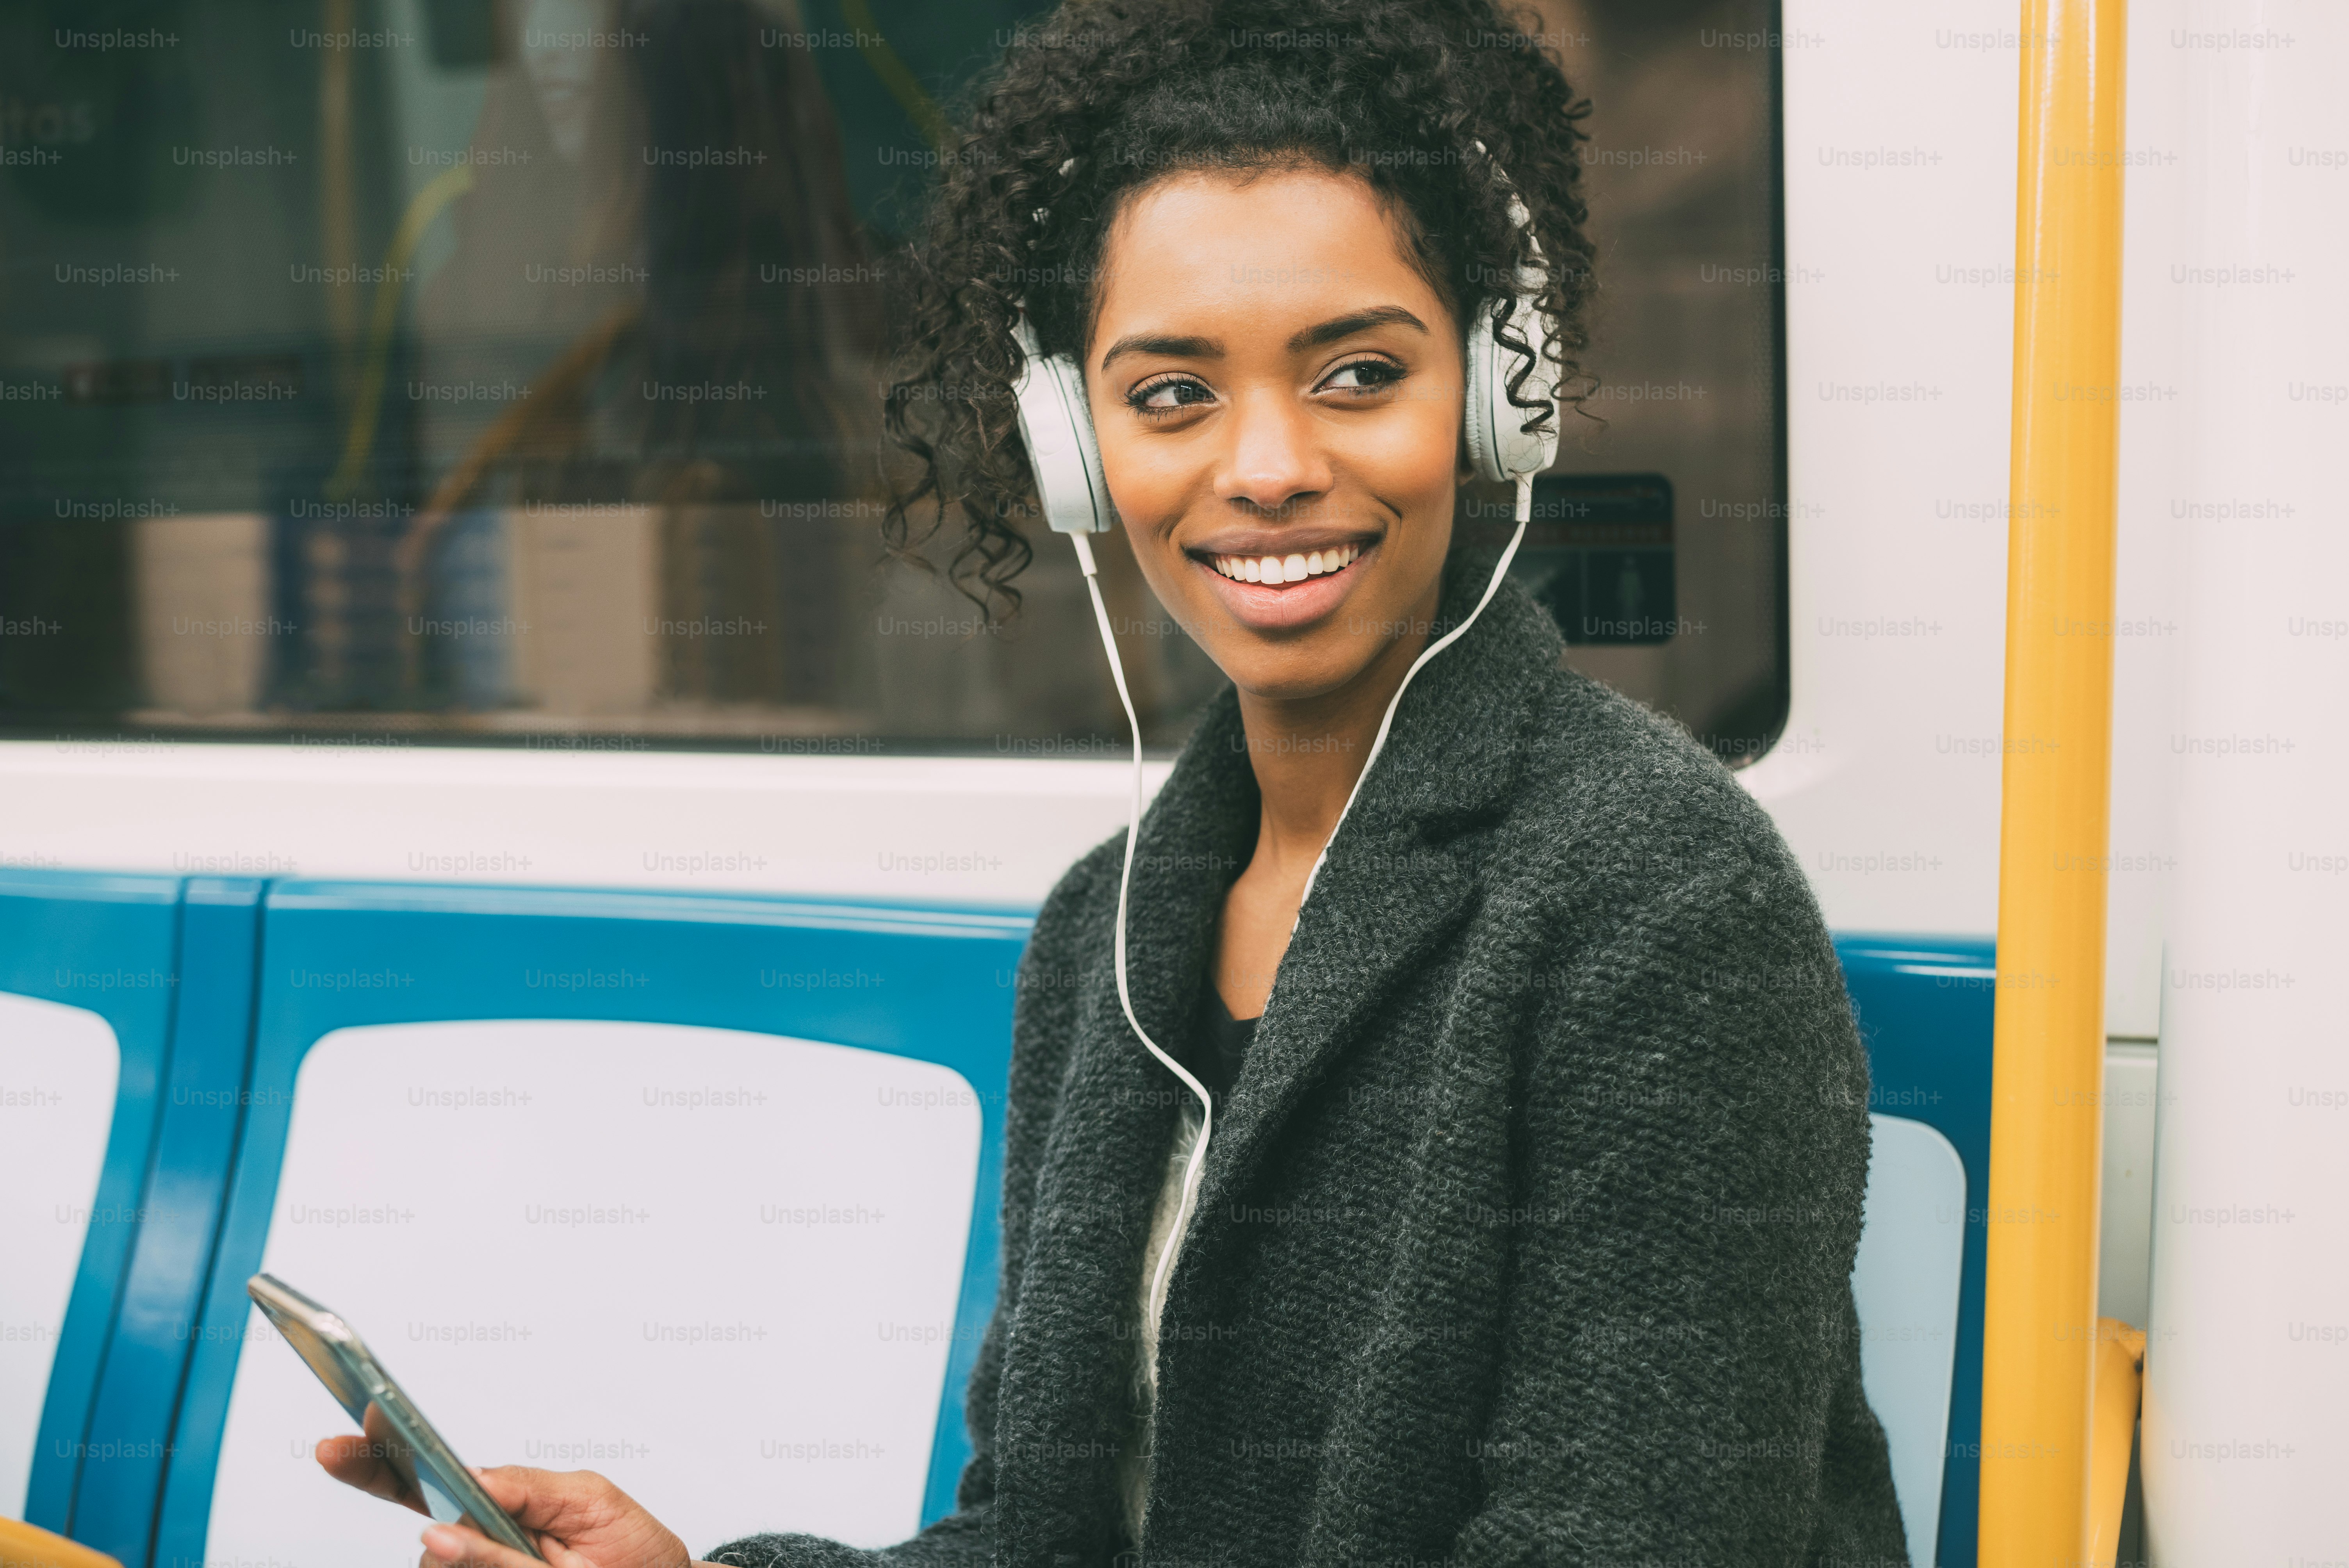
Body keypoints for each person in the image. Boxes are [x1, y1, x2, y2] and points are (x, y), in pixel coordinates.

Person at [321, 0, 1911, 1563]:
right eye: (1171, 394)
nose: (1267, 462)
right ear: (1077, 446)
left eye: (1357, 373)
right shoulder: (1111, 930)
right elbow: (1039, 1535)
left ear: (1499, 397)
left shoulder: (1658, 896)